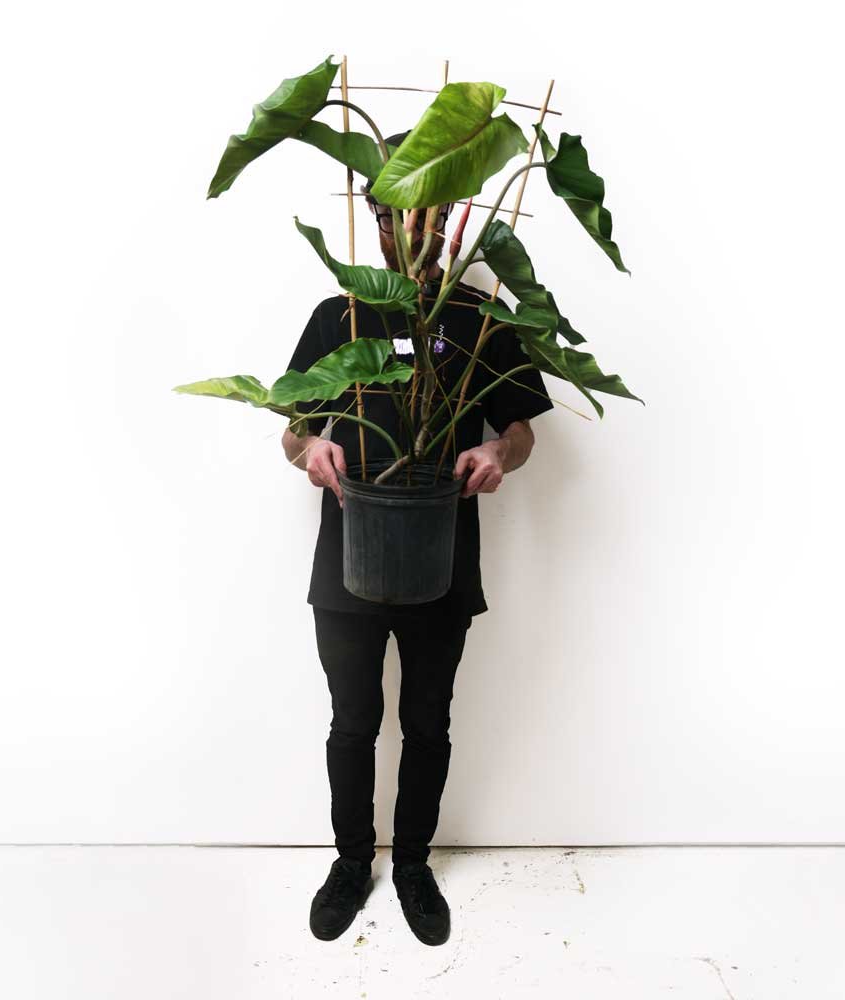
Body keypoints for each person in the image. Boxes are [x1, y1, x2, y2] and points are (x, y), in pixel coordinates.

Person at [280, 130, 554, 947]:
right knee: (353, 719)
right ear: (377, 214)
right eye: (399, 211)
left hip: (442, 550)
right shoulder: (342, 312)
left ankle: (412, 868)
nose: (417, 227)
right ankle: (351, 862)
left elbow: (522, 430)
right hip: (349, 551)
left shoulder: (477, 316)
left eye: (432, 210)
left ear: (452, 214)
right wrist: (310, 448)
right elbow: (295, 428)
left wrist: (498, 449)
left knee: (429, 720)